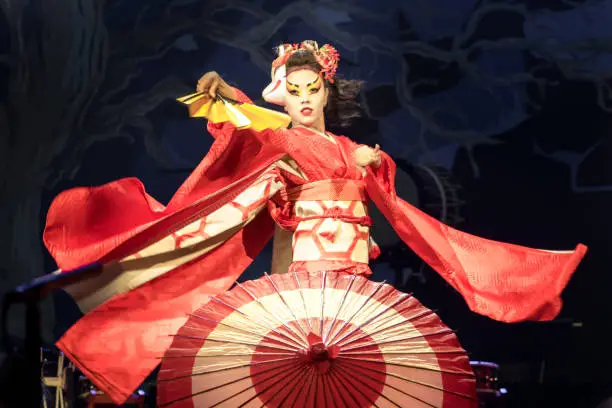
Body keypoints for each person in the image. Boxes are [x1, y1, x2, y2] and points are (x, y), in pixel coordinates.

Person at [42, 40, 587, 404]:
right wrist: (222, 96)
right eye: (294, 92)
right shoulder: (281, 137)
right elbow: (242, 127)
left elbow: (380, 193)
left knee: (351, 371)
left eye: (313, 90)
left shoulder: (348, 146)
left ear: (329, 93)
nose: (304, 100)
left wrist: (375, 163)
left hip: (353, 275)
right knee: (295, 367)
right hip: (303, 271)